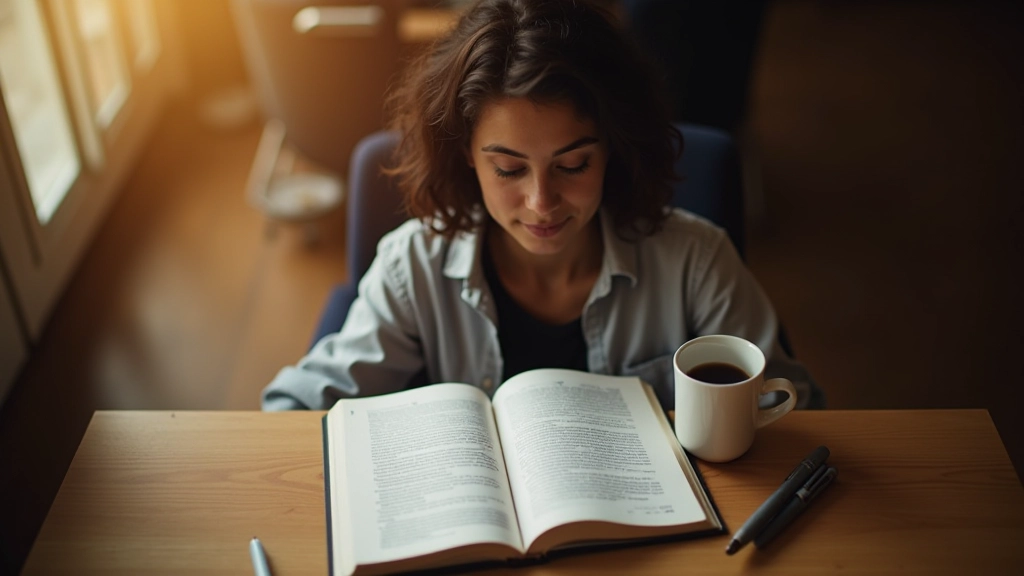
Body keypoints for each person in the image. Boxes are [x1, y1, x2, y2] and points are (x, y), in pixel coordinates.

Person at [261, 0, 823, 411]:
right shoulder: (415, 266)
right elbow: (294, 409)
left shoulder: (696, 261)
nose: (541, 202)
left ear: (613, 150)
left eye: (573, 165)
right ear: (467, 159)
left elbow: (796, 408)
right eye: (508, 169)